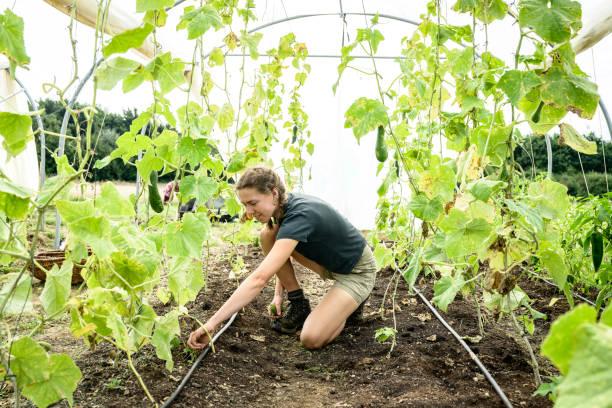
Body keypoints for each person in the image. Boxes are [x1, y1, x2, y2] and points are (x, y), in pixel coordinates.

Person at [187, 166, 378, 350]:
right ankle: (299, 304)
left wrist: (211, 324)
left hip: (356, 272)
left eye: (253, 203)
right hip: (330, 264)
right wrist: (278, 295)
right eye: (245, 205)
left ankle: (349, 307)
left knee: (311, 338)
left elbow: (259, 279)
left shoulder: (300, 215)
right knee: (268, 235)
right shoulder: (282, 209)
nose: (249, 212)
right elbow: (279, 257)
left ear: (274, 193)